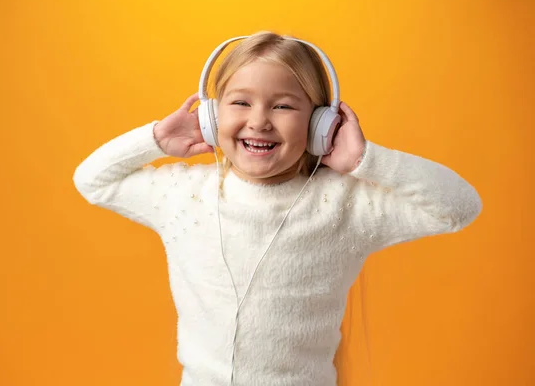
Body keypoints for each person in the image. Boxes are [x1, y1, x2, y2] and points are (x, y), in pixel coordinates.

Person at [73, 31, 482, 386]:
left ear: (321, 124)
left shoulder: (344, 205)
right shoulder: (184, 196)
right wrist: (157, 139)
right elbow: (92, 180)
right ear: (213, 117)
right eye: (240, 103)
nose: (259, 121)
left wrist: (365, 161)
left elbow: (459, 206)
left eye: (283, 106)